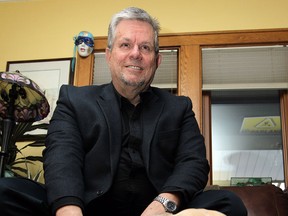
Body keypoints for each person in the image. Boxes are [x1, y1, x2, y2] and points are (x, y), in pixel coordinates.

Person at [0, 7, 247, 216]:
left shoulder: (178, 107)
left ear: (157, 60)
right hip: (87, 208)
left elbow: (193, 163)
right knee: (5, 192)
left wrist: (162, 205)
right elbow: (62, 158)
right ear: (109, 55)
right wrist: (68, 208)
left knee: (229, 203)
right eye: (125, 44)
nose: (135, 54)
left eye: (146, 47)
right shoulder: (74, 100)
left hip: (157, 212)